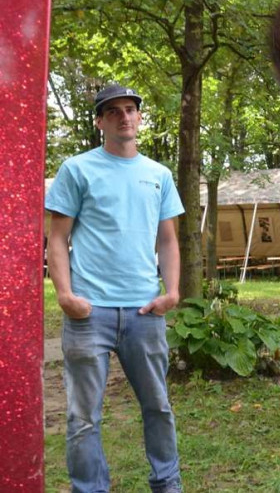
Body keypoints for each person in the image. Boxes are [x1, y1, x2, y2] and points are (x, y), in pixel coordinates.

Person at [45, 84, 185, 493]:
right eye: (114, 111)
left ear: (139, 117)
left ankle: (167, 484)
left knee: (158, 406)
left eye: (130, 109)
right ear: (100, 122)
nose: (124, 116)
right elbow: (57, 238)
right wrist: (65, 295)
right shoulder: (77, 169)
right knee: (83, 417)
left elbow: (168, 240)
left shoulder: (159, 175)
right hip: (89, 314)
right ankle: (90, 489)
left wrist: (172, 291)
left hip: (145, 312)